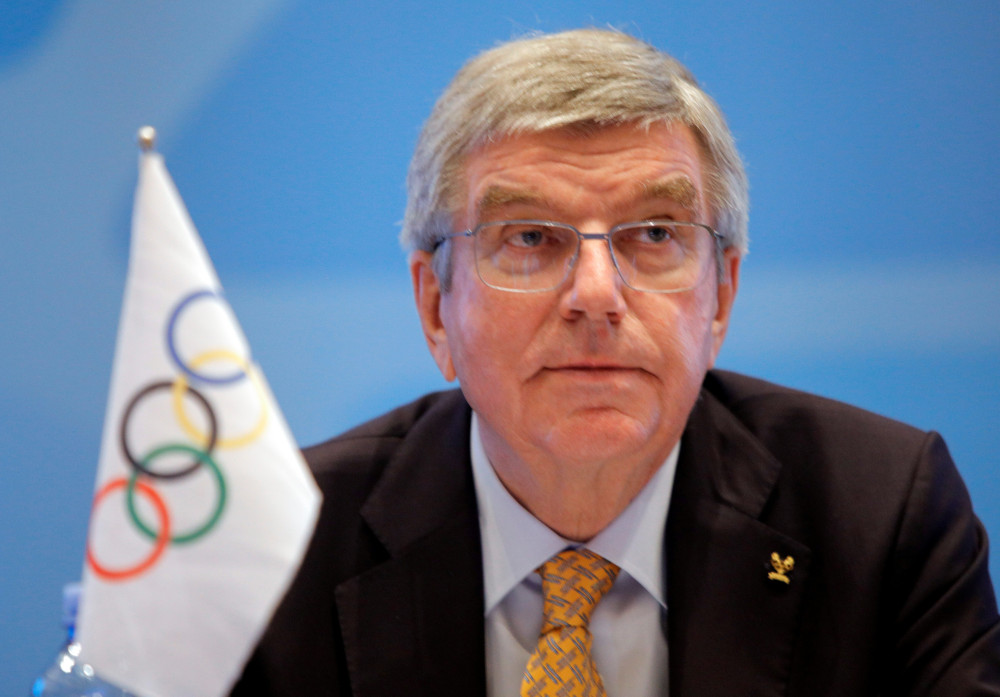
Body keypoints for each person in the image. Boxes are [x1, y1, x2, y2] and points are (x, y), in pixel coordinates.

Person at [231, 28, 1000, 696]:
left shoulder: (882, 519)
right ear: (436, 306)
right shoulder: (278, 551)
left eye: (656, 234)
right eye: (530, 237)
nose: (596, 294)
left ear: (721, 296)